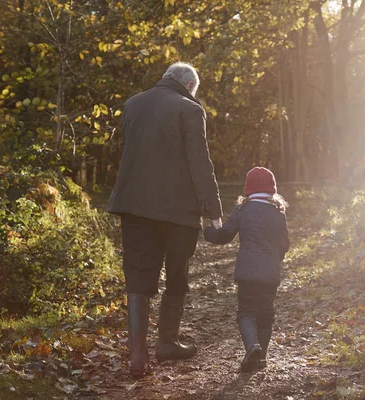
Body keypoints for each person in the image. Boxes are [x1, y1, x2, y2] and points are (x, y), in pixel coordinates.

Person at [107, 62, 223, 378]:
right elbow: (200, 163)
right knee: (176, 275)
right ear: (189, 86)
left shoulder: (132, 104)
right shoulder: (189, 108)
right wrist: (214, 212)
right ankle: (167, 343)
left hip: (133, 207)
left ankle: (137, 356)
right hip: (177, 211)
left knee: (138, 276)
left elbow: (129, 153)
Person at [204, 167, 289, 372]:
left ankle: (253, 346)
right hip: (269, 274)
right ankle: (262, 359)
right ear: (272, 189)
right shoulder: (278, 213)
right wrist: (275, 259)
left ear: (248, 189)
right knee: (266, 314)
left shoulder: (243, 210)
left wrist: (207, 232)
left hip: (247, 273)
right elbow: (284, 244)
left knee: (246, 312)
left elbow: (224, 235)